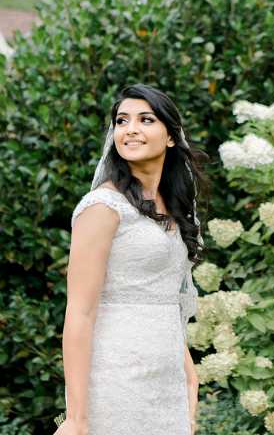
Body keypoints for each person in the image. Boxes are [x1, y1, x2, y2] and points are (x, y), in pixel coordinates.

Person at [55, 84, 212, 435]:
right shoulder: (103, 208)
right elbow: (79, 312)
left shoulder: (173, 210)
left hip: (168, 381)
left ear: (171, 136)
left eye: (146, 119)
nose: (130, 129)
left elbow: (162, 298)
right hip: (116, 379)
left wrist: (188, 369)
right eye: (122, 121)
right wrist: (76, 417)